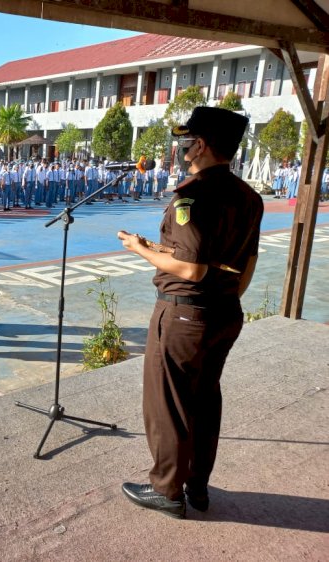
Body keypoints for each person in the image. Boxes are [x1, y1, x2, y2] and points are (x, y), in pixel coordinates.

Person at [117, 106, 263, 519]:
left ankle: (166, 490)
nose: (182, 148)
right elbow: (241, 262)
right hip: (223, 311)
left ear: (200, 144)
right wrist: (164, 251)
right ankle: (197, 486)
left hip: (183, 316)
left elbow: (192, 268)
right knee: (204, 399)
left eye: (187, 140)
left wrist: (140, 249)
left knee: (168, 404)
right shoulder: (248, 196)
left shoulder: (194, 195)